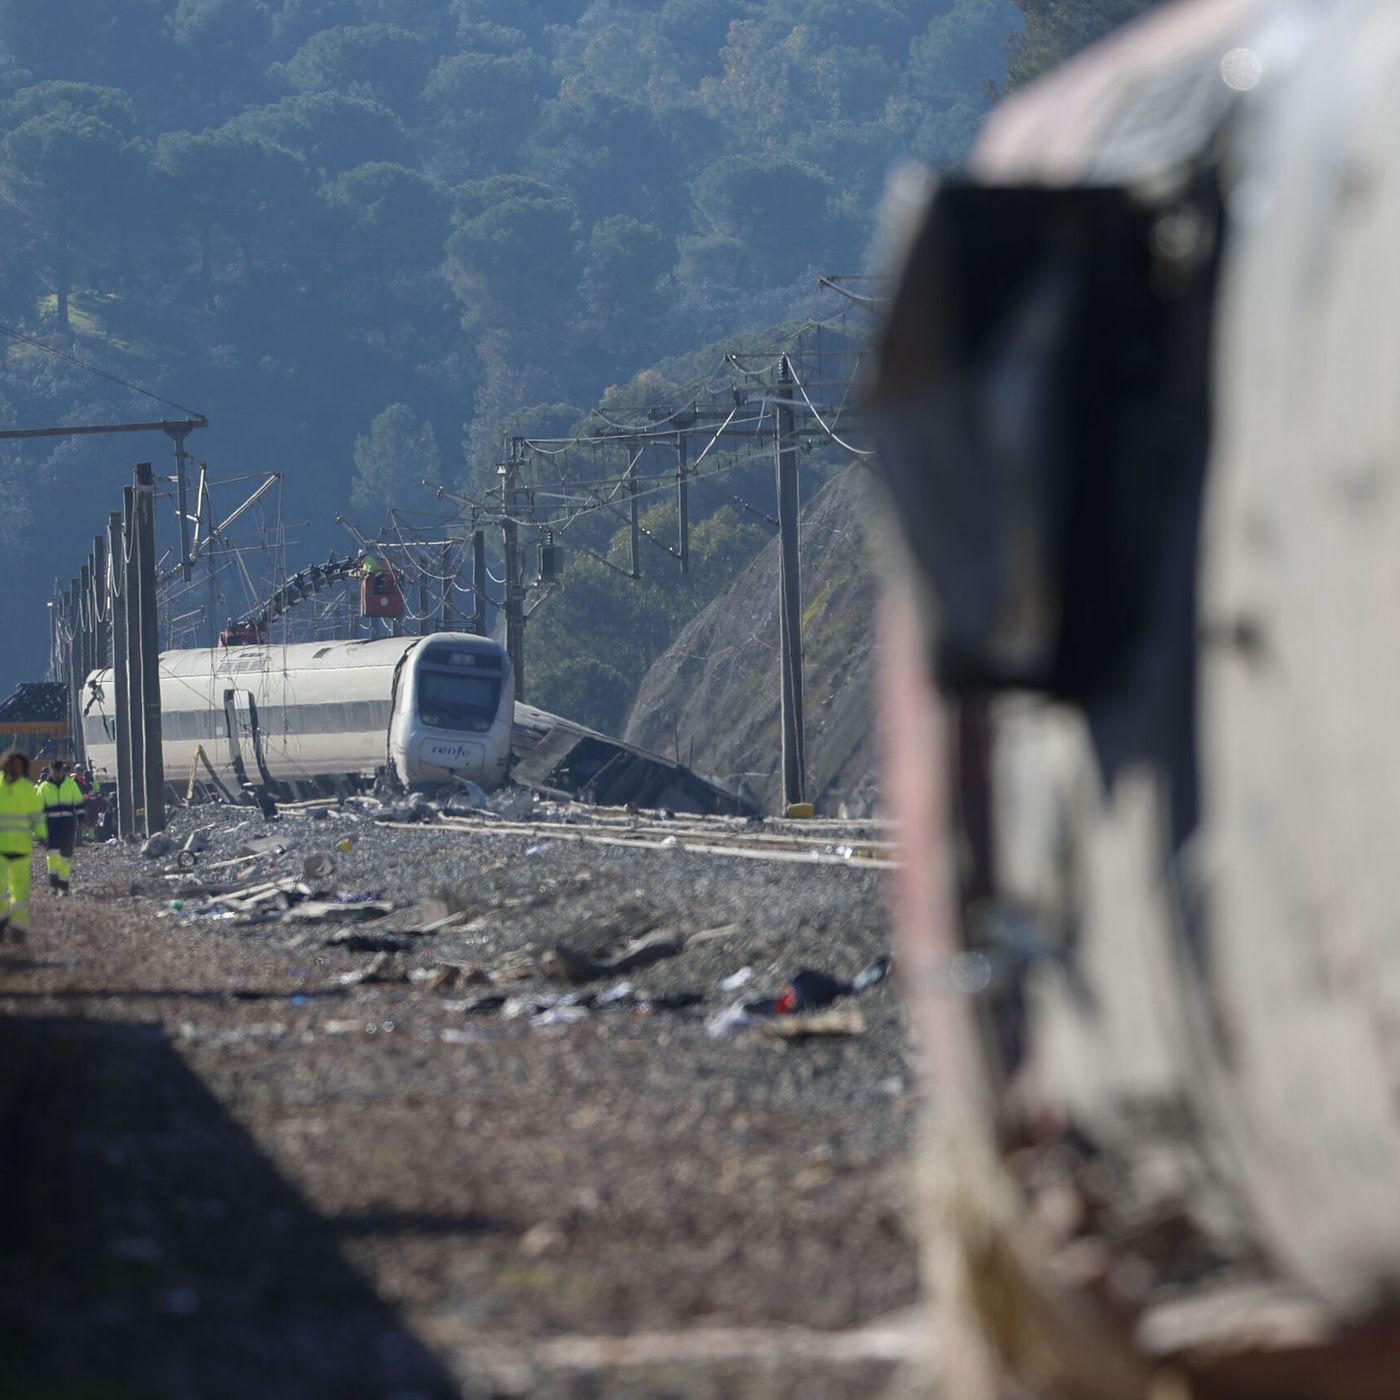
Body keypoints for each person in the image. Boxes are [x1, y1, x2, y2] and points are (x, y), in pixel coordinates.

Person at [0, 749, 46, 942]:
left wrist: (43, 836)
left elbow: (37, 817)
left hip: (21, 849)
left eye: (19, 765)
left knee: (20, 891)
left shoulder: (28, 789)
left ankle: (18, 928)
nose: (16, 768)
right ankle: (2, 921)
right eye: (13, 764)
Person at [36, 757, 82, 894]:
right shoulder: (44, 788)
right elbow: (37, 810)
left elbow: (78, 803)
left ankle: (63, 884)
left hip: (68, 825)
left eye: (59, 771)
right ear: (51, 771)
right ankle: (54, 882)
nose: (57, 774)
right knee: (53, 853)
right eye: (54, 771)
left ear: (62, 771)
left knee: (66, 855)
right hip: (51, 825)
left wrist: (82, 820)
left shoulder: (70, 785)